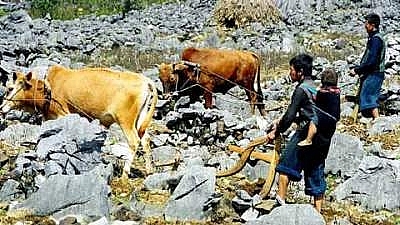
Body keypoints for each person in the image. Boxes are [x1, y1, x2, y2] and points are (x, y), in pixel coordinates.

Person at [266, 54, 340, 213]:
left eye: (291, 69)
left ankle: (281, 203)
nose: (290, 73)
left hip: (306, 131)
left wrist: (276, 131)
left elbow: (289, 116)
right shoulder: (315, 87)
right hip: (322, 136)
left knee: (286, 164)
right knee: (315, 168)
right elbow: (311, 112)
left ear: (299, 72)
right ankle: (318, 211)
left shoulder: (301, 90)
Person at [349, 13, 386, 120]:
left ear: (372, 25)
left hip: (374, 73)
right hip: (373, 72)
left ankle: (378, 120)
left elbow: (372, 61)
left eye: (366, 23)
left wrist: (357, 70)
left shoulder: (376, 40)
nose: (365, 26)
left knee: (369, 97)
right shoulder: (374, 38)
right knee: (366, 95)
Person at [298, 68, 341, 147]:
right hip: (335, 117)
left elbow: (316, 100)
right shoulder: (337, 92)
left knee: (313, 120)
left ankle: (308, 139)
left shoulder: (322, 93)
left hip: (326, 117)